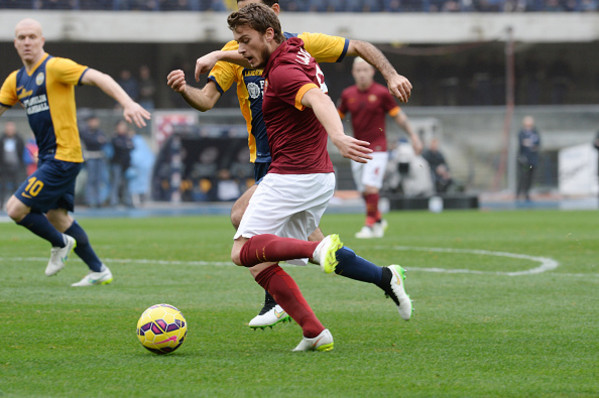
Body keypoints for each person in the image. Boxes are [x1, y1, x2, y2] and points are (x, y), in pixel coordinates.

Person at [167, 0, 413, 330]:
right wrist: (193, 80)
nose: (241, 45)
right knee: (309, 244)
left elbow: (348, 59)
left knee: (245, 229)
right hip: (272, 160)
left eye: (251, 11)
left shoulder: (297, 49)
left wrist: (390, 75)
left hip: (292, 165)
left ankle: (286, 307)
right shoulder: (248, 49)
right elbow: (207, 99)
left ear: (273, 14)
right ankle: (383, 278)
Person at [0, 18, 151, 286]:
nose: (27, 42)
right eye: (21, 37)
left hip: (63, 156)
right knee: (57, 217)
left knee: (14, 209)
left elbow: (99, 77)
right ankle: (98, 269)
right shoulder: (15, 81)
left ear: (42, 40)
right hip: (49, 158)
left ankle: (60, 243)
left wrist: (127, 103)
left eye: (32, 37)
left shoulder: (56, 67)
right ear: (15, 43)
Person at [338, 57, 421, 239]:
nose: (361, 74)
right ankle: (378, 220)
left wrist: (413, 135)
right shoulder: (347, 94)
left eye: (365, 70)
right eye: (358, 70)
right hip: (357, 149)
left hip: (378, 148)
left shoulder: (382, 93)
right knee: (364, 191)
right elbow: (336, 117)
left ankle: (369, 226)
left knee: (371, 187)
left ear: (372, 71)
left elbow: (398, 116)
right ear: (353, 73)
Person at [80, 114, 109, 208]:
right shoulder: (85, 132)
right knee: (91, 179)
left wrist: (97, 140)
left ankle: (98, 200)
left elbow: (104, 141)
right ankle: (89, 200)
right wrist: (97, 140)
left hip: (99, 157)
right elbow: (90, 141)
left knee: (98, 180)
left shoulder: (99, 131)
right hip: (90, 157)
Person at [110, 120, 135, 208]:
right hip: (117, 163)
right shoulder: (115, 137)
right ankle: (114, 201)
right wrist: (126, 145)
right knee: (116, 183)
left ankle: (128, 201)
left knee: (127, 183)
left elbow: (132, 146)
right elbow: (121, 147)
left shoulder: (128, 137)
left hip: (127, 164)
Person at [1, 121, 25, 210]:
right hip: (4, 168)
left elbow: (21, 152)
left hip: (16, 167)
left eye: (11, 128)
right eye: (8, 128)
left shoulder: (19, 139)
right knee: (3, 187)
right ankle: (1, 206)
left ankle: (15, 206)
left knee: (16, 187)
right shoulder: (2, 139)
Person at [516, 115, 541, 201]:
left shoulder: (535, 133)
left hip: (532, 161)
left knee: (530, 177)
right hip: (524, 160)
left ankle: (527, 193)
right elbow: (522, 144)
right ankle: (518, 193)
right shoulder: (522, 133)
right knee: (523, 176)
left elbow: (537, 144)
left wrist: (530, 144)